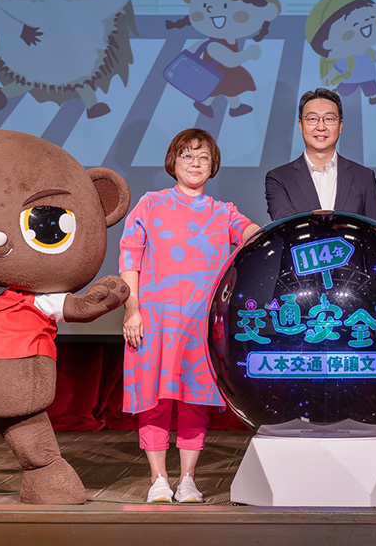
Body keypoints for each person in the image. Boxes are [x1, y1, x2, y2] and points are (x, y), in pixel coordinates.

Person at [119, 128, 261, 503]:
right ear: (173, 162)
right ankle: (158, 480)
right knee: (154, 400)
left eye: (203, 157)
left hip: (200, 325)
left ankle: (187, 480)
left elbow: (252, 233)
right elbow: (129, 259)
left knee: (195, 401)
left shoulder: (223, 212)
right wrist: (132, 310)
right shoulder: (150, 205)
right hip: (154, 322)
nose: (195, 163)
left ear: (213, 166)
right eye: (187, 155)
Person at [264, 88, 376, 223]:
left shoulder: (364, 177)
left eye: (329, 119)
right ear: (301, 125)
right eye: (312, 119)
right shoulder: (279, 178)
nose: (321, 127)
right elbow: (286, 226)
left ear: (340, 126)